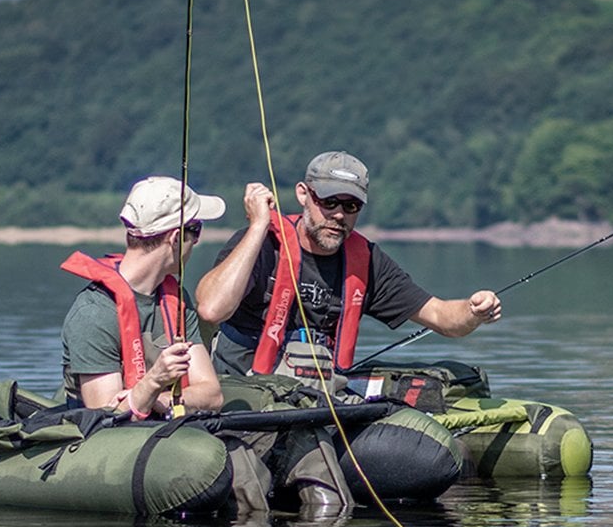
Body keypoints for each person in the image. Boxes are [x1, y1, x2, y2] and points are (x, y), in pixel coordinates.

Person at [195, 151, 502, 383]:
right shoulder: (261, 242)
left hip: (317, 389)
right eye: (329, 202)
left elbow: (439, 316)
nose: (339, 215)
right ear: (303, 194)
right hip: (244, 383)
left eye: (350, 206)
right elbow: (210, 309)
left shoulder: (366, 260)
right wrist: (258, 226)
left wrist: (473, 311)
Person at [60, 176, 225, 418]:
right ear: (176, 238)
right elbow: (104, 417)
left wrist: (158, 400)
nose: (195, 242)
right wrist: (155, 379)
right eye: (195, 231)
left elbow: (212, 395)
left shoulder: (177, 299)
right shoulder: (93, 313)